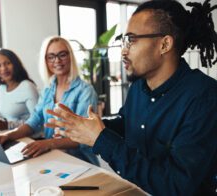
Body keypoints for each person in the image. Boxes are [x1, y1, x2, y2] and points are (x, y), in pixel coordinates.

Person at [45, 0, 217, 195]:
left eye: (131, 40)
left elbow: (176, 185)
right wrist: (90, 126)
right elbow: (127, 123)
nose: (123, 50)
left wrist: (102, 139)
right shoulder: (139, 86)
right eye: (123, 41)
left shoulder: (204, 97)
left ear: (164, 44)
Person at [0, 36, 99, 165]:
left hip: (80, 162)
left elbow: (85, 136)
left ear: (70, 57)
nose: (57, 60)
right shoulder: (48, 89)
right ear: (45, 61)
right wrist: (9, 135)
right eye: (51, 57)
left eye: (62, 55)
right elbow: (34, 121)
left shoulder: (85, 91)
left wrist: (48, 143)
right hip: (53, 157)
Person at [0, 48, 39, 130]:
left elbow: (38, 121)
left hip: (29, 137)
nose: (3, 68)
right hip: (10, 135)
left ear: (15, 64)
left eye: (7, 63)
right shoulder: (2, 87)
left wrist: (8, 125)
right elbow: (2, 113)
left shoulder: (27, 87)